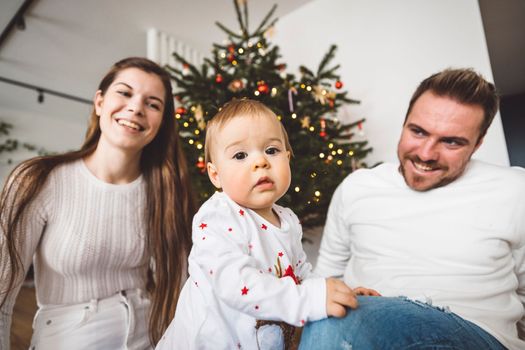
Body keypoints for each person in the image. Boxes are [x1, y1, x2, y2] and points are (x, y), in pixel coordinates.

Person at [299, 68, 525, 350]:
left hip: (474, 335)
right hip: (365, 324)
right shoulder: (357, 187)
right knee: (328, 316)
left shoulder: (515, 189)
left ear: (478, 143)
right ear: (404, 123)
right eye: (418, 131)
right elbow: (326, 279)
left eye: (451, 141)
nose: (426, 154)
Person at [0, 57, 196, 349]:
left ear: (160, 124)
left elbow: (184, 292)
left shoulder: (167, 190)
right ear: (100, 102)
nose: (136, 107)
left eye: (153, 104)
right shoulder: (36, 180)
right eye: (125, 93)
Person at [156, 99, 379, 350]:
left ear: (288, 157)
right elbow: (237, 284)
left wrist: (337, 293)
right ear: (215, 175)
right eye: (240, 155)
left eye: (271, 150)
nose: (260, 162)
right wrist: (311, 299)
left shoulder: (288, 220)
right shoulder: (217, 217)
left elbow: (300, 275)